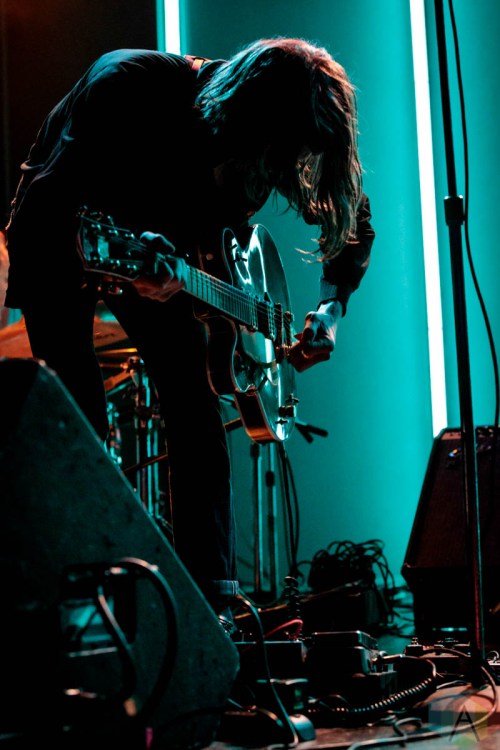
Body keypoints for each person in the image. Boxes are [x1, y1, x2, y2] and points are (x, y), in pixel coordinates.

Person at [3, 37, 375, 624]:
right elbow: (58, 197)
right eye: (277, 150)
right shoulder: (127, 85)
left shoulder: (271, 136)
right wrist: (140, 245)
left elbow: (352, 217)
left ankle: (213, 610)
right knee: (79, 423)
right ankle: (86, 609)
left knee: (196, 413)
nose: (283, 166)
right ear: (249, 118)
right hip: (58, 238)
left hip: (164, 266)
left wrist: (331, 309)